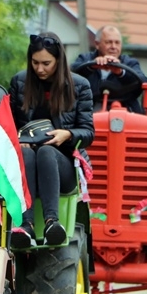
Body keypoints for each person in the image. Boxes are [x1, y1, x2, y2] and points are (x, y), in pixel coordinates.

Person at [9, 32, 94, 248]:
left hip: (62, 163)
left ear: (58, 60)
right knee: (27, 153)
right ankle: (25, 225)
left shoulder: (80, 86)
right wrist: (19, 139)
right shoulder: (19, 83)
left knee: (46, 152)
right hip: (27, 161)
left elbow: (88, 132)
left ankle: (51, 223)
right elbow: (9, 126)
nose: (40, 69)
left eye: (46, 63)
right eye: (35, 63)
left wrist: (67, 134)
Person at [72, 25, 147, 113]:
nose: (113, 46)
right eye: (109, 42)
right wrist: (91, 66)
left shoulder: (130, 63)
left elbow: (143, 81)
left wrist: (120, 72)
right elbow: (72, 73)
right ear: (97, 44)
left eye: (117, 43)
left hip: (125, 110)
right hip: (88, 111)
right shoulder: (85, 59)